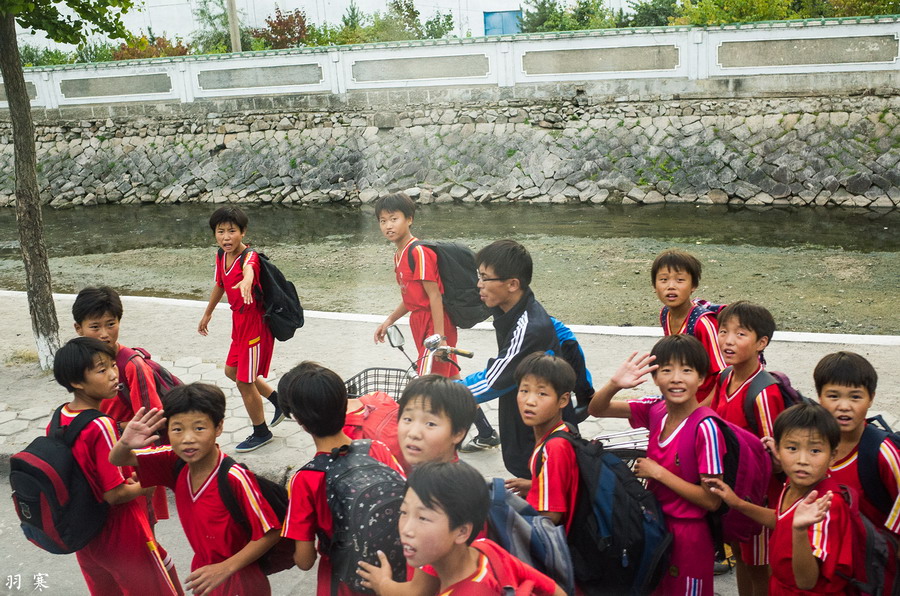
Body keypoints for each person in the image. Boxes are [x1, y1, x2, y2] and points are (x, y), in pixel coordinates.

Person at [109, 384, 282, 596]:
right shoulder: (174, 461)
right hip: (204, 575)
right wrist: (125, 442)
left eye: (199, 428)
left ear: (218, 427)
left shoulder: (234, 478)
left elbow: (271, 532)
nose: (187, 439)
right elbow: (117, 459)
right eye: (177, 429)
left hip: (240, 580)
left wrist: (225, 568)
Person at [589, 334, 725, 595]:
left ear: (701, 378)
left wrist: (659, 473)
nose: (676, 378)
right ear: (654, 378)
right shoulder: (656, 409)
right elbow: (597, 409)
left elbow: (712, 501)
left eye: (687, 370)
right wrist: (615, 384)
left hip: (690, 536)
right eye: (667, 370)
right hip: (655, 527)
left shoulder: (706, 428)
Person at [52, 337, 181, 596]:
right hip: (119, 529)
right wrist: (147, 485)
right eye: (102, 370)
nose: (113, 375)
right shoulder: (101, 425)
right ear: (77, 382)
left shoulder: (60, 416)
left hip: (85, 531)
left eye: (112, 365)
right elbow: (114, 494)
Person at [277, 362, 404, 596]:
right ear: (346, 405)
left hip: (341, 581)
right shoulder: (377, 449)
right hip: (390, 571)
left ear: (300, 422)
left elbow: (305, 561)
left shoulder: (305, 479)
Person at [706, 403, 857, 594]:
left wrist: (799, 532)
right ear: (777, 450)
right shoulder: (793, 482)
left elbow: (807, 581)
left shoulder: (825, 504)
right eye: (792, 448)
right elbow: (781, 520)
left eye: (815, 451)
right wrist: (738, 503)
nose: (802, 460)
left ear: (833, 455)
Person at [358, 461, 566, 596]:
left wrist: (382, 584)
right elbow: (553, 589)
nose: (406, 529)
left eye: (423, 518)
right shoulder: (486, 549)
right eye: (404, 512)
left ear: (462, 531)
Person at [459, 240, 577, 479]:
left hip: (538, 423)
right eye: (478, 276)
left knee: (538, 475)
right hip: (529, 410)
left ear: (512, 284)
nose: (479, 284)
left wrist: (441, 393)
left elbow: (492, 382)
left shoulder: (529, 327)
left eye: (485, 278)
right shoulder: (512, 308)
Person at [72, 286, 171, 526]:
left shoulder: (132, 366)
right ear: (78, 328)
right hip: (103, 457)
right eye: (95, 327)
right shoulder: (80, 363)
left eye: (111, 324)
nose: (104, 334)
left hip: (132, 464)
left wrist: (112, 427)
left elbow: (152, 421)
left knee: (142, 526)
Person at [711, 301, 785, 595]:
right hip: (734, 490)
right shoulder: (724, 378)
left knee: (758, 566)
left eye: (740, 334)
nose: (728, 341)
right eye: (723, 331)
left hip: (759, 498)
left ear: (761, 343)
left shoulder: (764, 392)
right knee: (742, 556)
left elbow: (775, 458)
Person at [197, 206, 282, 453]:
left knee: (244, 381)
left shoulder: (249, 257)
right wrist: (208, 313)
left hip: (255, 326)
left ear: (243, 232)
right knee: (232, 371)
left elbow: (250, 270)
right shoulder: (221, 256)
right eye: (220, 231)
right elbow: (220, 284)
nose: (226, 237)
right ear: (214, 234)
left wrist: (247, 280)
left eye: (232, 231)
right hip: (239, 324)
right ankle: (279, 401)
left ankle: (261, 432)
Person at [812, 352, 900, 542]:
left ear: (871, 398)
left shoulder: (883, 452)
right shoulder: (809, 447)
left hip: (872, 556)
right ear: (819, 397)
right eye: (833, 396)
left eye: (855, 397)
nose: (844, 406)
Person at [373, 192, 458, 378]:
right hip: (419, 321)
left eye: (394, 219)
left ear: (409, 219)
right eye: (383, 221)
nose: (388, 226)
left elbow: (435, 295)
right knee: (450, 379)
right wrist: (389, 321)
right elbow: (411, 298)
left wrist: (440, 338)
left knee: (429, 381)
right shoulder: (398, 255)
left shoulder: (419, 251)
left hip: (435, 322)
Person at [506, 352, 579, 534]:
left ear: (563, 400)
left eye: (542, 393)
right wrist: (534, 485)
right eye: (524, 391)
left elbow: (550, 515)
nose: (530, 401)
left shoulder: (554, 447)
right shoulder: (564, 430)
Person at [651, 249, 725, 405]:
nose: (671, 286)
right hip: (683, 395)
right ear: (654, 285)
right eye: (663, 280)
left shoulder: (703, 323)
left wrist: (698, 411)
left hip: (705, 401)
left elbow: (724, 376)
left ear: (693, 285)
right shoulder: (665, 313)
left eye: (680, 280)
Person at [396, 375, 477, 470]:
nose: (413, 434)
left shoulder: (457, 479)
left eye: (430, 424)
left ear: (458, 434)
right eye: (408, 419)